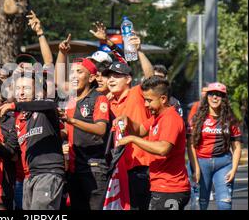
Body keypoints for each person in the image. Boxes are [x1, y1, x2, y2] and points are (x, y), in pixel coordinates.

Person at [0, 73, 65, 210]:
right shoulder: (18, 119)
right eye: (18, 88)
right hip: (29, 177)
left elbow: (50, 105)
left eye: (25, 88)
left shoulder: (45, 110)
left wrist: (14, 105)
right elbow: (11, 151)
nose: (21, 92)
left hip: (48, 173)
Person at [116, 76, 191, 210]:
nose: (145, 104)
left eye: (149, 100)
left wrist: (132, 139)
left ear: (163, 99)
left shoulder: (171, 119)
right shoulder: (157, 118)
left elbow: (163, 148)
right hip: (160, 187)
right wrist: (127, 120)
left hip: (171, 189)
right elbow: (139, 130)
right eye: (145, 100)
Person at [103, 34, 155, 210]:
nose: (111, 79)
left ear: (128, 79)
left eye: (117, 76)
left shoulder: (137, 93)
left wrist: (139, 50)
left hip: (142, 166)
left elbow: (150, 77)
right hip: (119, 170)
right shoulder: (106, 102)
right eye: (109, 76)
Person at [58, 58, 111, 210]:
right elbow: (67, 131)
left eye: (79, 72)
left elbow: (101, 129)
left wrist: (70, 120)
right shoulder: (71, 100)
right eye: (72, 72)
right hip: (73, 167)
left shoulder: (99, 98)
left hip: (94, 166)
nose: (74, 76)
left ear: (92, 77)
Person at [187, 82, 242, 210]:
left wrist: (233, 170)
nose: (215, 97)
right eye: (211, 94)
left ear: (224, 98)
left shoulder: (230, 119)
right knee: (201, 203)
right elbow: (190, 145)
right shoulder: (196, 118)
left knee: (225, 203)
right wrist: (196, 169)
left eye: (219, 95)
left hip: (223, 164)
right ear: (207, 97)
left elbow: (237, 146)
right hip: (200, 163)